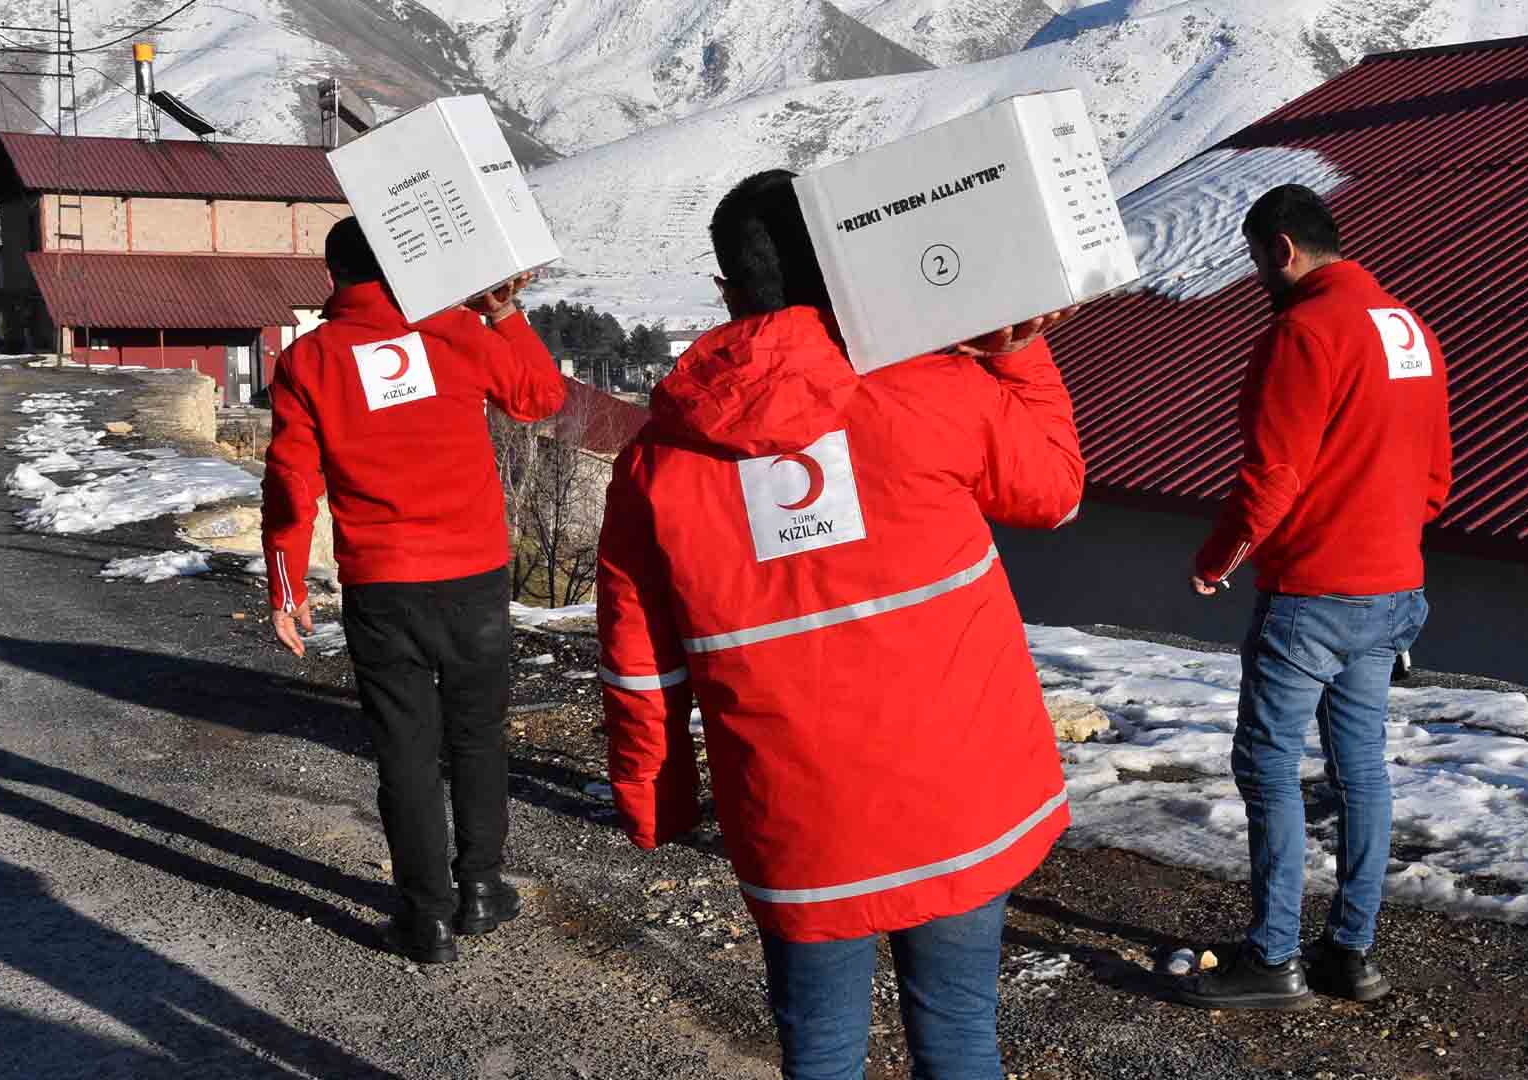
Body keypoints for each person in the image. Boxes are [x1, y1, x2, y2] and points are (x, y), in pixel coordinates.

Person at [596, 170, 1084, 1079]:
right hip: (957, 798)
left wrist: (656, 797)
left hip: (797, 818)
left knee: (819, 1054)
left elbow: (640, 662)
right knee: (961, 1036)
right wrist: (1016, 353)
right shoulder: (934, 387)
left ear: (727, 294)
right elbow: (1054, 491)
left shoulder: (654, 465)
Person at [261, 217, 566, 964]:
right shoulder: (456, 332)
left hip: (383, 582)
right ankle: (484, 888)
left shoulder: (310, 360)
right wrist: (502, 311)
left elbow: (292, 483)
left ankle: (425, 917)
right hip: (474, 575)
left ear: (334, 276)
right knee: (477, 736)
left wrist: (286, 583)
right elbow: (539, 398)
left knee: (405, 750)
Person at [1176, 184, 1450, 1009]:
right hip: (1393, 585)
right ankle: (1351, 955)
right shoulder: (1409, 327)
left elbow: (1275, 473)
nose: (1260, 275)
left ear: (1283, 250)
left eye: (1260, 259)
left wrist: (1220, 556)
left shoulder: (1303, 330)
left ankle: (1273, 958)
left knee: (1265, 766)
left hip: (1312, 592)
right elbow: (1436, 478)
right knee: (1360, 769)